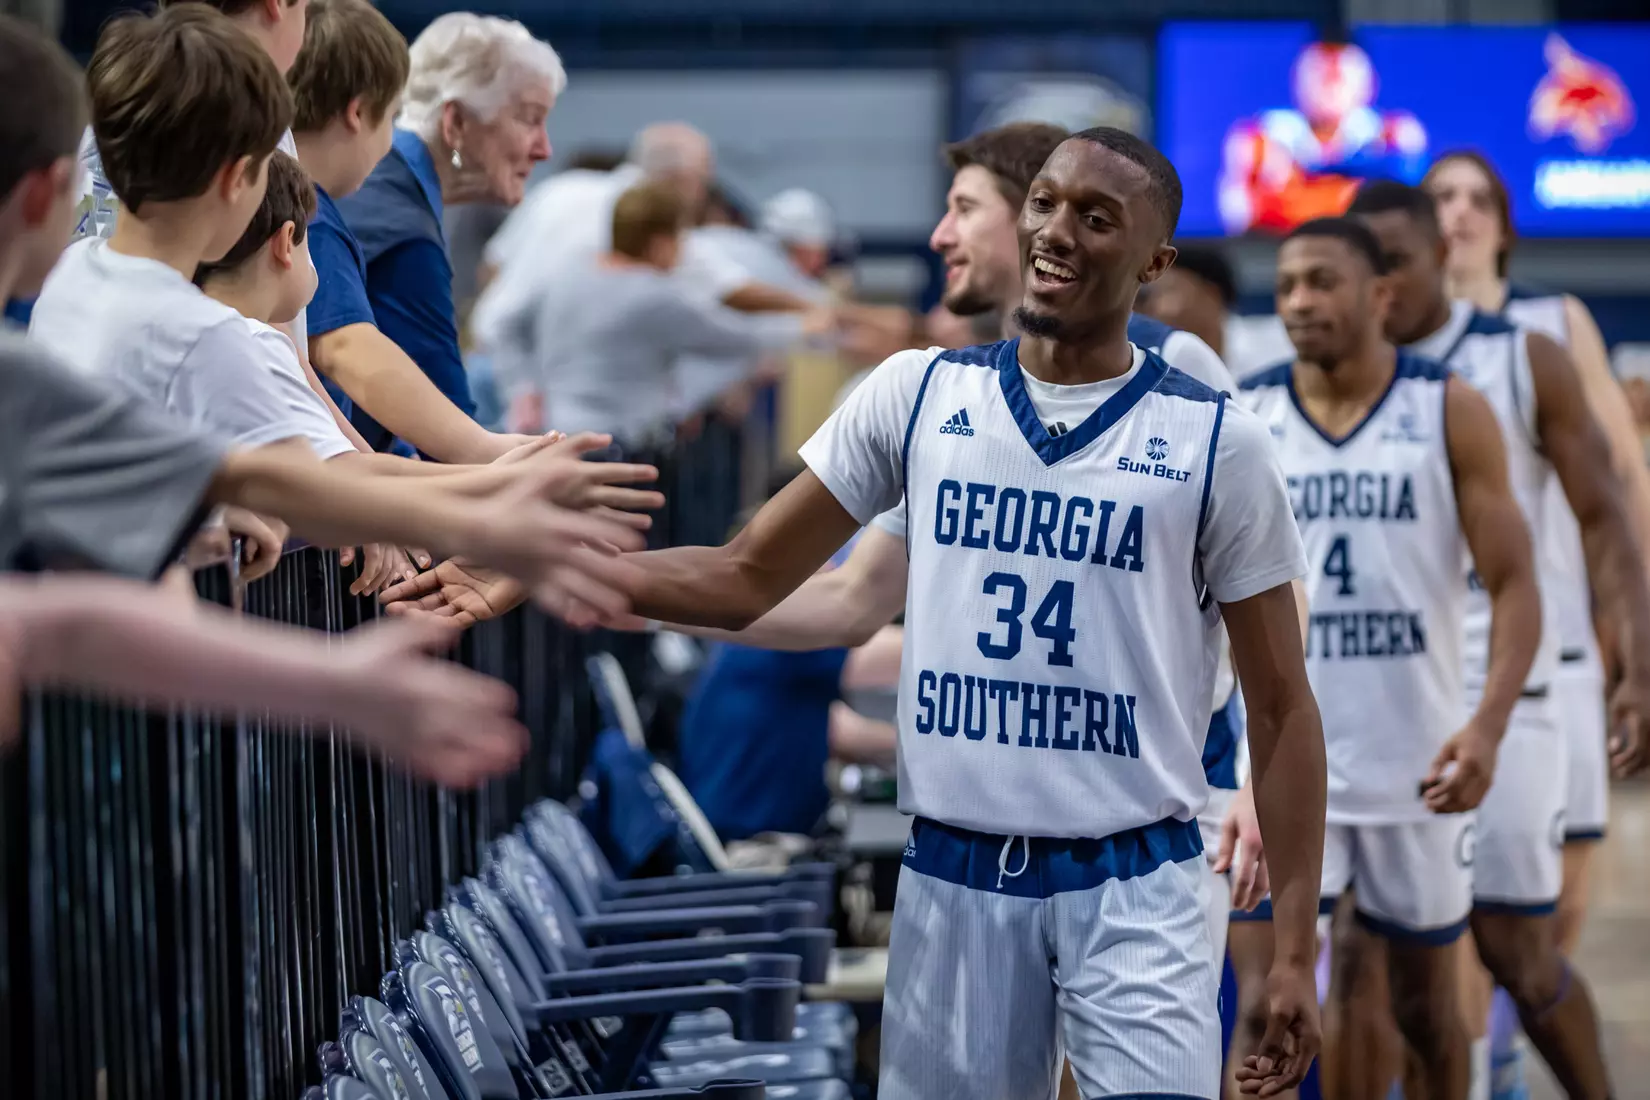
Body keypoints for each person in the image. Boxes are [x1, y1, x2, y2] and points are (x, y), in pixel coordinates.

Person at [393, 126, 1330, 1099]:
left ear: (1153, 261)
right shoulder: (919, 392)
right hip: (955, 875)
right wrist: (546, 558)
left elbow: (1282, 700)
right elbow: (752, 571)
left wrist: (1296, 949)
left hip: (1140, 876)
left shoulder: (1214, 433)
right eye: (1044, 202)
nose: (1057, 230)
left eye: (1095, 218)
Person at [20, 4, 653, 623]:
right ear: (242, 178)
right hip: (124, 635)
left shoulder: (79, 277)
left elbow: (269, 475)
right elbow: (321, 490)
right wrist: (498, 499)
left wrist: (491, 480)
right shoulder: (204, 333)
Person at [1234, 217, 1541, 1100]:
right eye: (1287, 284)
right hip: (1282, 775)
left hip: (1418, 768)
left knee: (1428, 1014)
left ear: (1380, 296)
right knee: (1262, 1010)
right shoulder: (1247, 418)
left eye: (1322, 281)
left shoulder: (1448, 407)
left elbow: (1516, 584)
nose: (1298, 302)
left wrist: (1487, 727)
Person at [1347, 180, 1641, 1100]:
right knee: (1368, 955)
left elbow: (1604, 516)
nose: (1381, 282)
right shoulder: (1329, 371)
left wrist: (1635, 659)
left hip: (1518, 688)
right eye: (1369, 265)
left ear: (1442, 254)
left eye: (1396, 260)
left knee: (1516, 946)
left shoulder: (1525, 353)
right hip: (1387, 695)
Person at [1424, 149, 1650, 1098]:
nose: (1461, 214)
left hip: (1554, 647)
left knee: (1550, 920)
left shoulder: (1552, 326)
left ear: (1507, 224)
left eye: (1479, 198)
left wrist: (1636, 638)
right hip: (1441, 661)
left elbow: (1621, 485)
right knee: (1454, 920)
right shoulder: (1391, 341)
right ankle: (1487, 1074)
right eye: (1442, 198)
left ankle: (1512, 1060)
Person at [304, 8, 559, 458]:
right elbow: (454, 443)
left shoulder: (388, 198)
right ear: (455, 123)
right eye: (529, 118)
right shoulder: (397, 221)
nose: (545, 147)